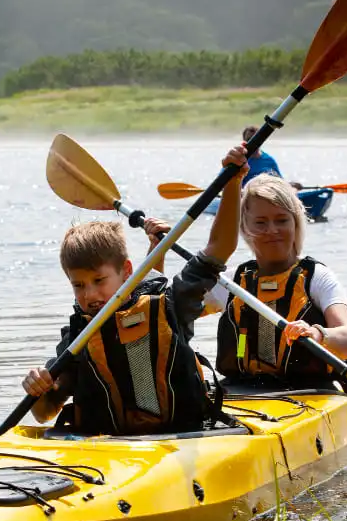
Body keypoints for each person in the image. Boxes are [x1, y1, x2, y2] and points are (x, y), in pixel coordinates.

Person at [20, 145, 249, 435]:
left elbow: (220, 248)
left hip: (181, 438)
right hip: (110, 451)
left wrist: (232, 183)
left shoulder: (171, 304)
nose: (89, 295)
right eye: (78, 285)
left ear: (127, 272)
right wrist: (38, 387)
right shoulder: (79, 334)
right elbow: (44, 412)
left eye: (98, 281)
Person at [212, 173, 347, 386]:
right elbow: (163, 311)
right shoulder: (231, 281)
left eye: (281, 220)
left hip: (310, 391)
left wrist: (317, 333)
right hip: (242, 389)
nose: (272, 230)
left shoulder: (316, 277)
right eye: (261, 222)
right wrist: (156, 252)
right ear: (244, 228)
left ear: (295, 224)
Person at [240, 125, 303, 190]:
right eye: (249, 139)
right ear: (244, 141)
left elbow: (281, 182)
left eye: (256, 138)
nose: (253, 142)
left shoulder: (269, 160)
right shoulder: (239, 161)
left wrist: (291, 185)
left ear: (261, 140)